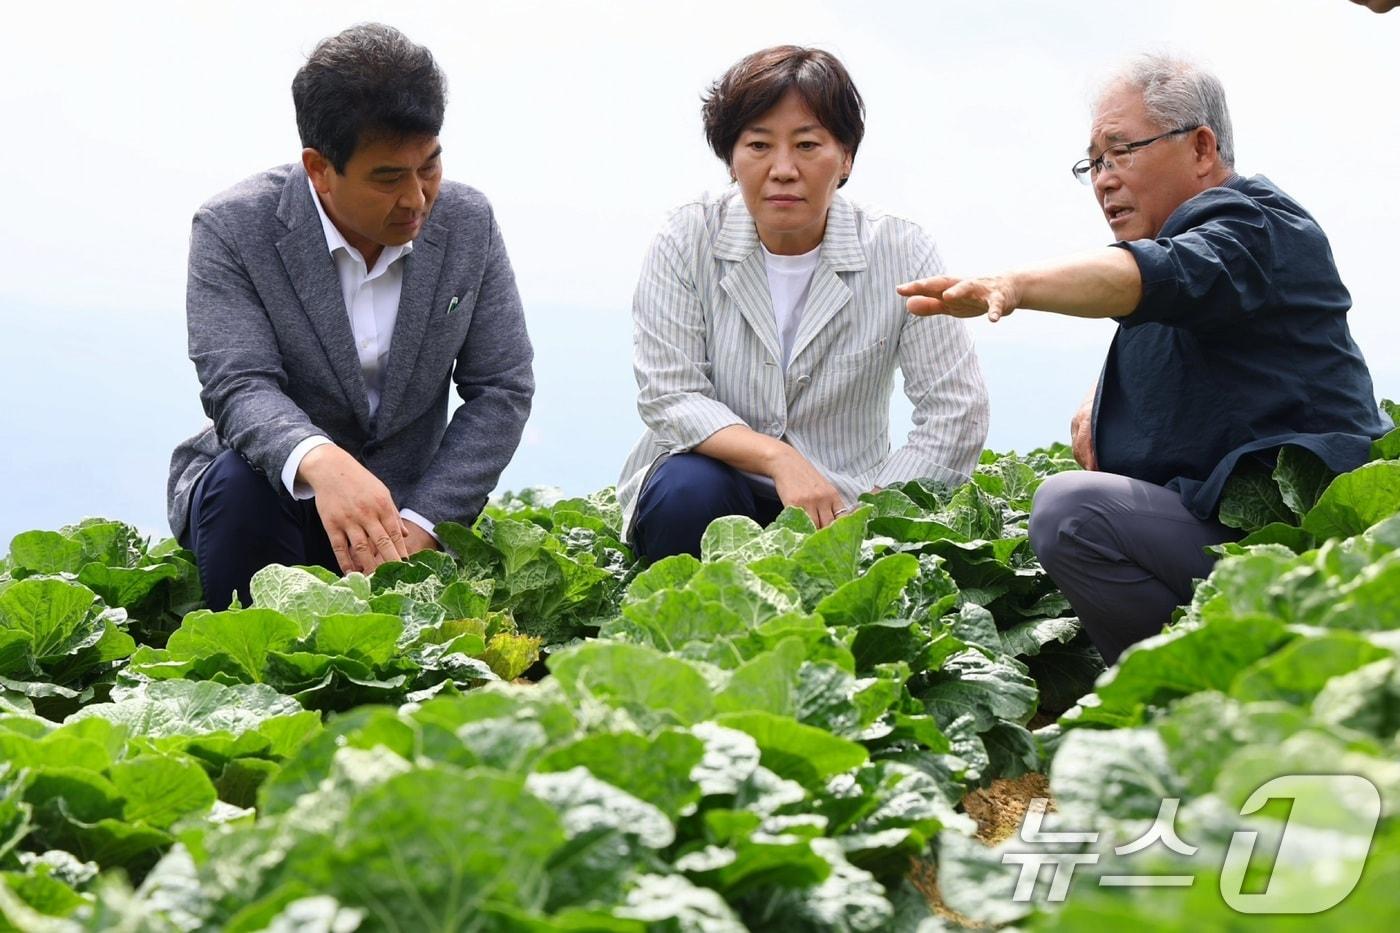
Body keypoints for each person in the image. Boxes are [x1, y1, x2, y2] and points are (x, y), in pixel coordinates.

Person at [897, 54, 1387, 665]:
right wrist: (1096, 402)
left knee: (1069, 512)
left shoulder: (1254, 225)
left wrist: (1014, 284)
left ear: (1202, 148)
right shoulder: (1183, 249)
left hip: (1308, 544)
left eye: (1121, 151)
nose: (1103, 178)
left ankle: (1188, 696)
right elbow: (1169, 305)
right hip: (1237, 544)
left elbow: (1159, 277)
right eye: (1093, 162)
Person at [167, 24, 533, 610]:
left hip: (410, 512)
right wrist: (321, 461)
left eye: (430, 166)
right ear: (319, 168)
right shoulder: (233, 228)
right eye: (388, 178)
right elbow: (238, 384)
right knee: (238, 487)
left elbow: (501, 389)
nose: (416, 199)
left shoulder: (468, 222)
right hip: (276, 495)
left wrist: (426, 519)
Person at [616, 46, 989, 561]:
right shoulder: (687, 236)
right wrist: (777, 458)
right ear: (731, 159)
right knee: (685, 491)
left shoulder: (901, 249)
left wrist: (880, 507)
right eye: (759, 145)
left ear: (847, 158)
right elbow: (670, 394)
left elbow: (956, 409)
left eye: (808, 144)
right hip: (716, 483)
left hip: (848, 498)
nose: (783, 169)